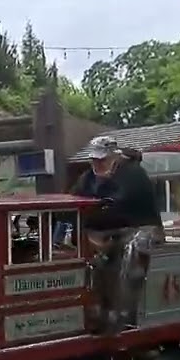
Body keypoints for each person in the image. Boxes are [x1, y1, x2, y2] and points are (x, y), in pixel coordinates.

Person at [70, 135, 162, 333]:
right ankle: (91, 309)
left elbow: (118, 205)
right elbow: (72, 201)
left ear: (115, 157)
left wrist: (98, 227)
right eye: (94, 159)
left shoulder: (134, 174)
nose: (97, 164)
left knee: (132, 247)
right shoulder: (87, 178)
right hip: (103, 232)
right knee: (80, 253)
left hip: (140, 228)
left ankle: (123, 315)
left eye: (102, 159)